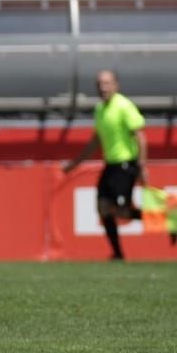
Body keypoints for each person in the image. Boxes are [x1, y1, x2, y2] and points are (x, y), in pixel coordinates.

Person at [62, 70, 149, 261]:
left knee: (122, 211)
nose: (103, 88)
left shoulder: (124, 106)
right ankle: (117, 254)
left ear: (116, 85)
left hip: (126, 164)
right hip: (110, 165)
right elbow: (95, 141)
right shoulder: (100, 110)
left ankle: (167, 220)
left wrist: (142, 167)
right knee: (103, 208)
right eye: (100, 84)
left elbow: (140, 136)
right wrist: (74, 164)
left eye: (107, 83)